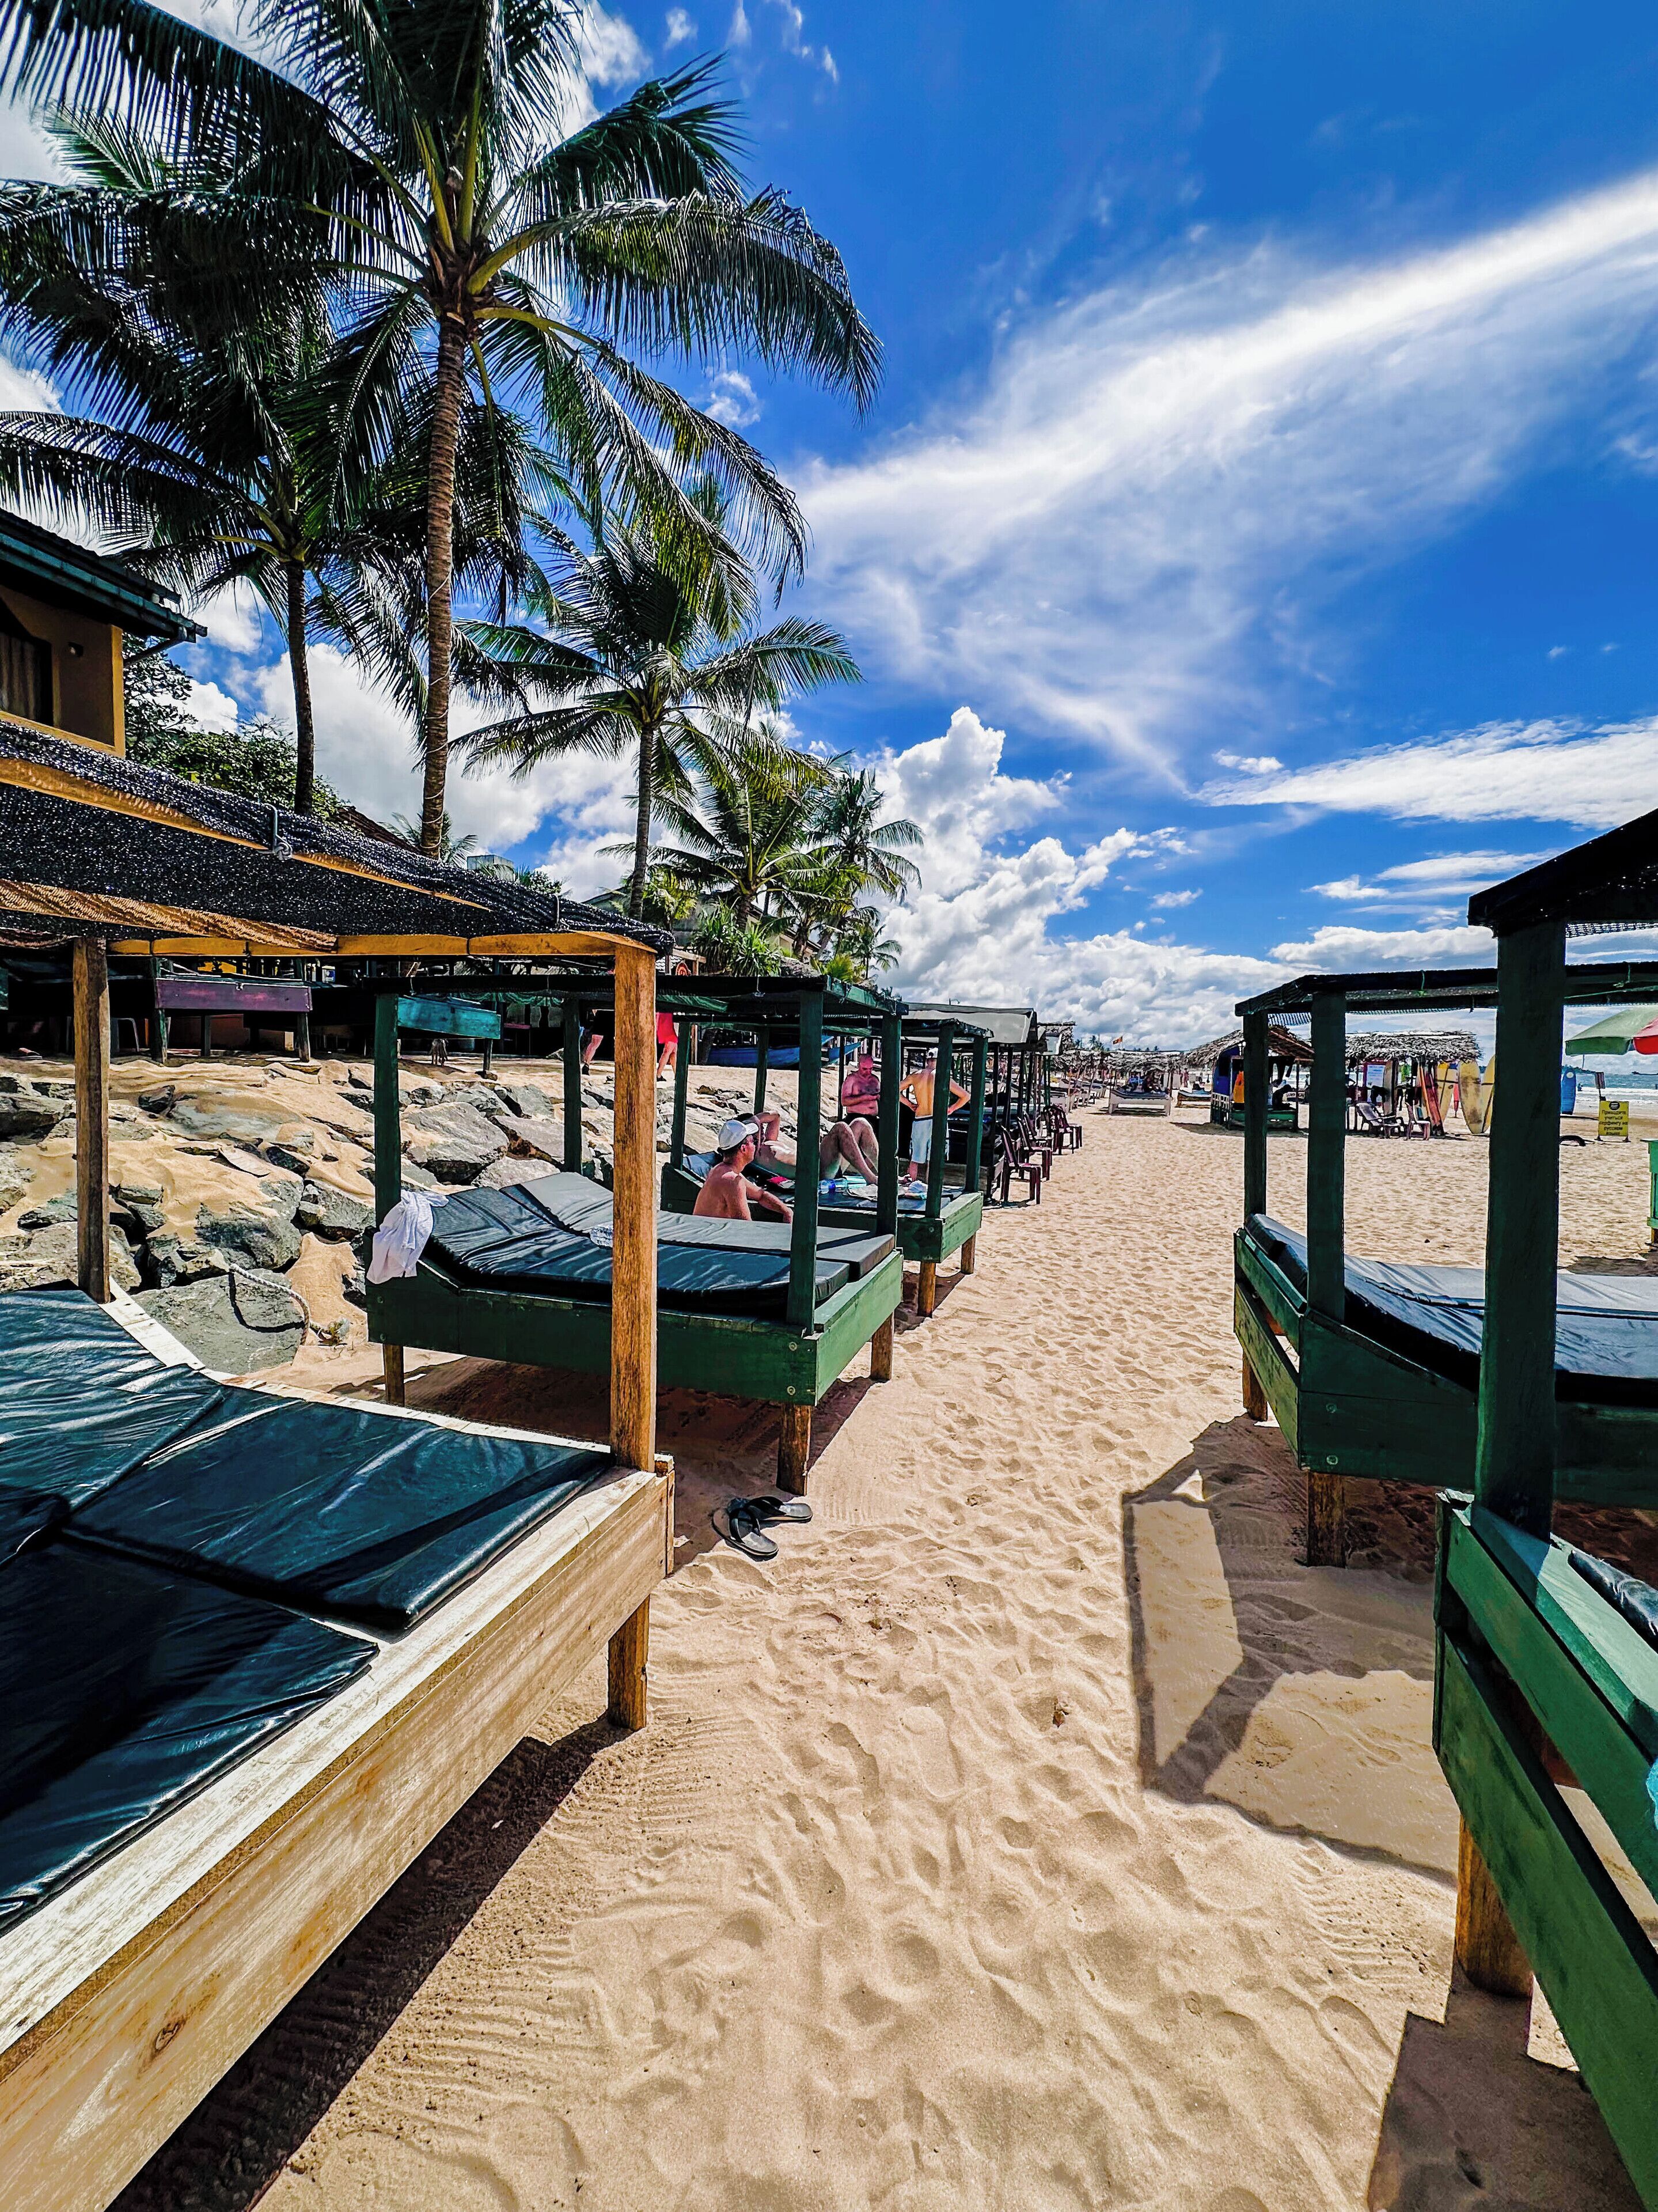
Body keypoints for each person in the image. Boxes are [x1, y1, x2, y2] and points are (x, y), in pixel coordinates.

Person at [693, 1118, 793, 1222]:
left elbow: (761, 1195)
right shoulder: (732, 1181)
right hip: (709, 1238)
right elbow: (745, 1227)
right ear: (744, 1149)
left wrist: (787, 1211)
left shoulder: (721, 1170)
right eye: (753, 1141)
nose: (755, 1145)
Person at [752, 1104, 879, 1183]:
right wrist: (751, 1125)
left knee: (861, 1123)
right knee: (840, 1128)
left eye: (761, 1127)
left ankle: (886, 1173)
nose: (762, 1130)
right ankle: (870, 1178)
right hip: (817, 1173)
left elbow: (776, 1116)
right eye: (758, 1129)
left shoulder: (769, 1141)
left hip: (827, 1163)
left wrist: (756, 1119)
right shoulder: (755, 1153)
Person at [901, 1051, 969, 1179]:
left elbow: (893, 1090)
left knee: (915, 1158)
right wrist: (952, 1109)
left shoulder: (915, 1076)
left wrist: (909, 1104)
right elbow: (966, 1096)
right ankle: (930, 1188)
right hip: (937, 1119)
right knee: (934, 1158)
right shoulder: (943, 1076)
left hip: (920, 1118)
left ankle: (910, 1186)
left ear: (927, 1061)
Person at [841, 1047, 882, 1124]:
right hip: (856, 1118)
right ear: (859, 1065)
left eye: (870, 1069)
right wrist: (864, 1098)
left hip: (873, 1118)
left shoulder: (875, 1080)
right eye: (865, 1069)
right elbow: (844, 1102)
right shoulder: (851, 1079)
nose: (868, 1072)